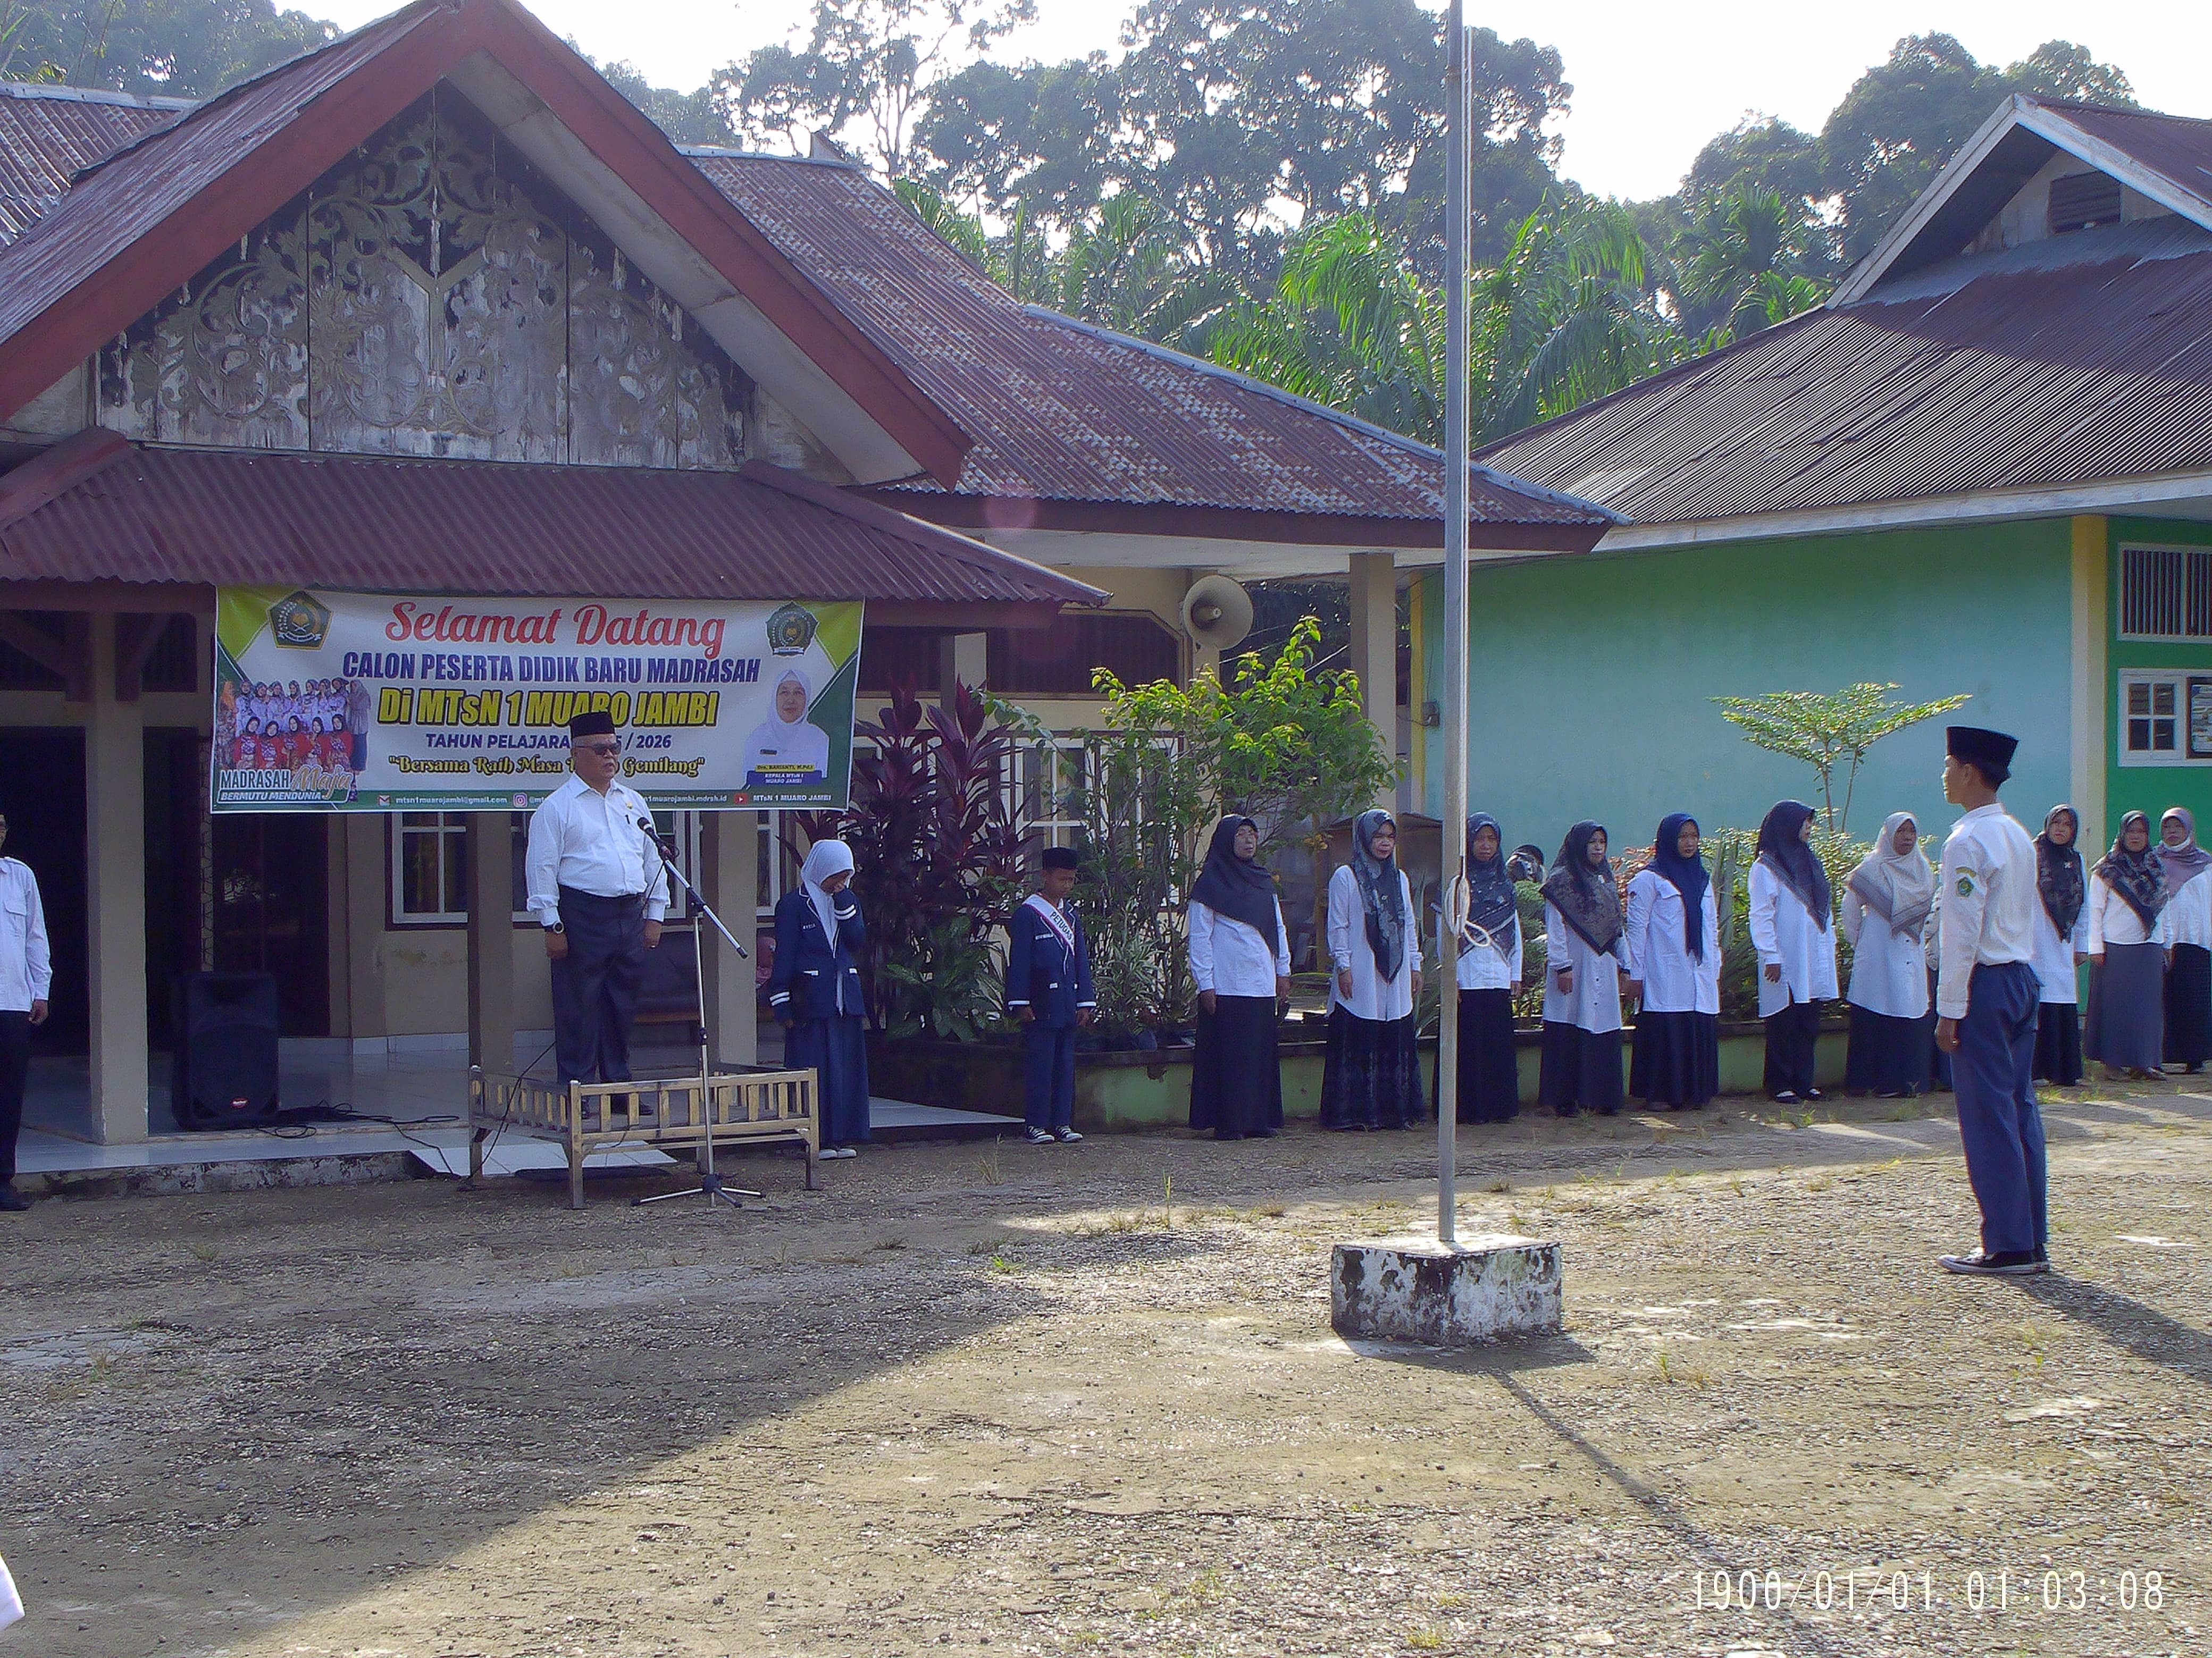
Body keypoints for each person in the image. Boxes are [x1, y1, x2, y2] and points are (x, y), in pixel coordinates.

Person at [1933, 725, 2048, 1277]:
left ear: (1969, 772)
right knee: (2018, 1109)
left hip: (1984, 983)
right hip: (2020, 977)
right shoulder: (2016, 833)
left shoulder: (1965, 841)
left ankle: (2005, 1243)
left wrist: (1949, 1008)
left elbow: (1961, 930)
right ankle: (2030, 1236)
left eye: (1949, 764)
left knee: (1987, 1114)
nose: (1944, 774)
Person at [525, 711, 668, 1095]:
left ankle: (617, 1087)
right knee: (580, 1006)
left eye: (615, 747)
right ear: (575, 754)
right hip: (581, 913)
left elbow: (653, 861)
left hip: (628, 913)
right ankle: (578, 1089)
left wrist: (655, 914)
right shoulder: (558, 806)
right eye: (600, 748)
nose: (610, 756)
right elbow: (541, 868)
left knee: (621, 1004)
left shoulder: (632, 802)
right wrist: (552, 924)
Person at [1187, 814, 1289, 1140]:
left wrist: (1282, 970)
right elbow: (1200, 938)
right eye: (1241, 834)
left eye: (1252, 834)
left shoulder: (1263, 882)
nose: (1248, 840)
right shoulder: (1209, 885)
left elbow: (1277, 927)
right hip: (1227, 984)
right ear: (1226, 840)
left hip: (1260, 982)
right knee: (1230, 1056)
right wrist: (1206, 983)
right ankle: (1229, 1121)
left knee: (1258, 1055)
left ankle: (1258, 1119)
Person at [1321, 809, 1424, 1129]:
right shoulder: (1346, 877)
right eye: (1378, 836)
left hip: (1395, 970)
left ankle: (1394, 1112)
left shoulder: (1399, 878)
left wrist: (1415, 964)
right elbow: (1338, 926)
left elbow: (1408, 925)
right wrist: (1343, 966)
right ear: (1365, 838)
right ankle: (1356, 1113)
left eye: (1390, 837)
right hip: (1361, 969)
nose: (1384, 843)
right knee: (1360, 1030)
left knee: (1393, 1030)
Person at [767, 839, 869, 1158]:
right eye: (835, 874)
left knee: (845, 1068)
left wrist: (845, 902)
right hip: (810, 999)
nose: (839, 881)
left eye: (845, 875)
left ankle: (843, 1135)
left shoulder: (846, 901)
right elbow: (784, 955)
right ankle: (813, 1137)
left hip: (844, 998)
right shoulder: (793, 905)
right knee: (814, 1068)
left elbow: (857, 941)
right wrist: (781, 1001)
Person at [1624, 812, 1720, 1110]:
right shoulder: (1649, 880)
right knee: (1667, 1027)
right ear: (1668, 840)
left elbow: (1711, 927)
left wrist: (1714, 965)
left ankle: (1694, 1091)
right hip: (1663, 971)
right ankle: (1661, 1093)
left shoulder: (1703, 879)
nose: (1689, 843)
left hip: (1697, 970)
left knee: (1695, 1024)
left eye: (1694, 837)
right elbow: (1636, 929)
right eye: (1682, 837)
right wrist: (1634, 974)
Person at [1841, 811, 1935, 1098]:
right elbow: (1850, 909)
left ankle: (1903, 1082)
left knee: (1908, 1009)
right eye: (1901, 832)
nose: (1907, 838)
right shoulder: (1872, 868)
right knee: (1875, 1009)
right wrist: (1863, 944)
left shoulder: (1923, 868)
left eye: (1911, 832)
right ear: (1888, 835)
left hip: (1910, 952)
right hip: (1877, 952)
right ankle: (1867, 1081)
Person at [1749, 799, 1838, 1104]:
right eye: (1804, 823)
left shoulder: (1810, 861)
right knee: (1783, 1021)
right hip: (1785, 956)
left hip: (1811, 954)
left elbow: (1823, 909)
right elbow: (1761, 915)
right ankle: (1779, 1082)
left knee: (1808, 1020)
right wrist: (1770, 955)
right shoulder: (1766, 867)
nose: (1809, 829)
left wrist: (1828, 948)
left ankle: (1804, 1080)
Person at [1437, 813, 1523, 1123]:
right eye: (1479, 839)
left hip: (1498, 973)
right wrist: (1452, 977)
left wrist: (1515, 973)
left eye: (1492, 839)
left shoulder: (1506, 884)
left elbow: (1514, 930)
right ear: (1468, 842)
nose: (1486, 846)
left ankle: (1499, 1108)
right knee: (1468, 1044)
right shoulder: (1458, 884)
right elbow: (1447, 928)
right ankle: (1468, 1109)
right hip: (1468, 974)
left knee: (1497, 1042)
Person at [1007, 847, 1094, 1144]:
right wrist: (1020, 1001)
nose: (1067, 886)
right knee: (1041, 1066)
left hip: (1068, 1003)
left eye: (1071, 880)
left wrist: (1086, 1001)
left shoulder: (1072, 915)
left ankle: (1062, 1122)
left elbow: (1081, 959)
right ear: (1045, 876)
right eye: (1061, 879)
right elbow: (1019, 962)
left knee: (1065, 1067)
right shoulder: (1028, 914)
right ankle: (1036, 1124)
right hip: (1040, 1002)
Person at [1539, 820, 1625, 1117]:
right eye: (1592, 843)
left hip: (1604, 962)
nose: (1598, 848)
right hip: (1573, 967)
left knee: (1601, 1024)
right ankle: (1565, 1099)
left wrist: (1625, 966)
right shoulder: (1561, 881)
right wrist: (1562, 966)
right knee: (1570, 1023)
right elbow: (1556, 928)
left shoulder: (1606, 878)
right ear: (1579, 845)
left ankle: (1601, 1096)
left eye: (1602, 842)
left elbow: (1617, 927)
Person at [2084, 810, 2170, 1079]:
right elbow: (2095, 910)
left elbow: (2163, 908)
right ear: (2122, 834)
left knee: (2146, 1008)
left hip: (2149, 946)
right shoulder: (2106, 869)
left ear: (2148, 836)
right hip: (2116, 947)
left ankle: (2143, 1063)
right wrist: (2095, 946)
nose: (2136, 837)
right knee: (2116, 1007)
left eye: (2141, 832)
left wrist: (2166, 941)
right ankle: (2113, 1064)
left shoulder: (2156, 867)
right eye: (2131, 832)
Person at [0, 812, 52, 1213]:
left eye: (2, 825)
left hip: (12, 1002)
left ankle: (3, 1179)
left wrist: (41, 990)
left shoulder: (20, 877)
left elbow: (36, 936)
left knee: (9, 1095)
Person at [2030, 805, 2091, 1087]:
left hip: (2064, 940)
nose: (2060, 829)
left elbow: (2084, 905)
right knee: (2039, 998)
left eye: (2067, 824)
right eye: (2056, 822)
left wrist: (2082, 943)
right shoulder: (2034, 854)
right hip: (2035, 938)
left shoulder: (2076, 859)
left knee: (2063, 999)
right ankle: (2039, 1069)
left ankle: (2065, 1070)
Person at [2156, 807, 2212, 1073]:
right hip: (2165, 941)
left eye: (2177, 827)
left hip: (2197, 940)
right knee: (2165, 997)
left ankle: (2195, 1056)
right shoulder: (2154, 861)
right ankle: (2166, 1055)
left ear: (2188, 830)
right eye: (2167, 827)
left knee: (2194, 998)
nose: (2172, 832)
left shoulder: (2205, 863)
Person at [741, 668, 831, 788]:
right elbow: (748, 783)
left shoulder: (819, 739)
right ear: (775, 698)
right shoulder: (757, 738)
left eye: (798, 693)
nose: (791, 700)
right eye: (784, 693)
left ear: (807, 698)